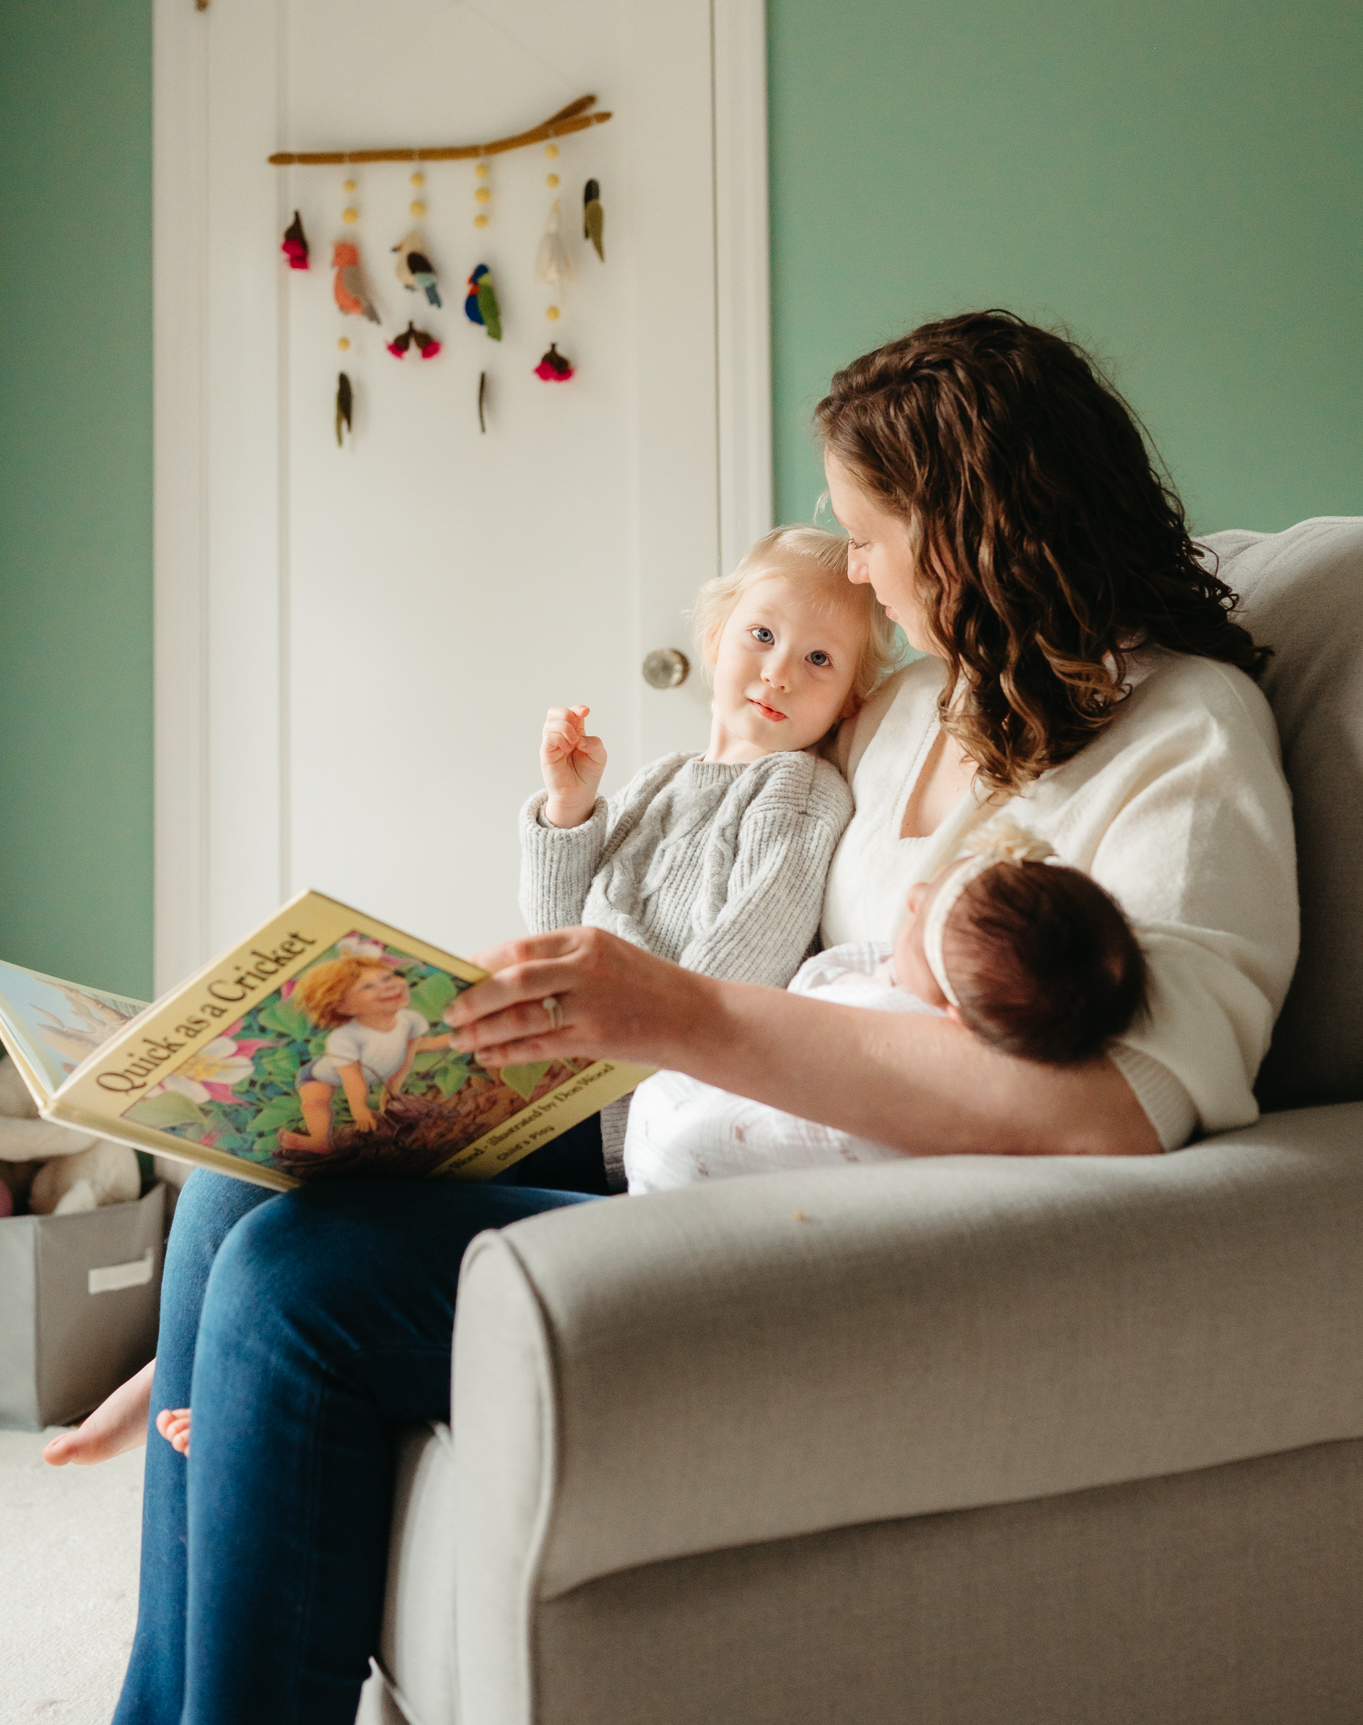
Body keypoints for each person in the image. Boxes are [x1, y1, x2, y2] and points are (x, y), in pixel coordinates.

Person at [50, 311, 1295, 1725]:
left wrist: (674, 1014)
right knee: (241, 1192)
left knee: (302, 1285)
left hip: (844, 1234)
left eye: (872, 538)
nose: (863, 581)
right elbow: (726, 803)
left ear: (964, 534)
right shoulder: (917, 707)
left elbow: (1116, 1106)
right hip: (707, 1146)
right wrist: (197, 1319)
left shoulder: (1187, 740)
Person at [525, 523, 899, 1178]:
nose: (778, 672)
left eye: (819, 660)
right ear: (712, 641)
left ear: (849, 703)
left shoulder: (801, 790)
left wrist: (599, 1060)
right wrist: (568, 809)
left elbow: (736, 975)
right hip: (570, 1073)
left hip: (625, 1108)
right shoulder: (661, 779)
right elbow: (557, 933)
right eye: (761, 635)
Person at [624, 815, 1151, 1189]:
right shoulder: (976, 995)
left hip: (681, 1166)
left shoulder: (901, 1021)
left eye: (918, 922)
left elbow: (821, 990)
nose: (913, 894)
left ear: (954, 1015)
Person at [279, 955, 433, 1152]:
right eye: (367, 987)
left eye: (387, 978)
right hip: (321, 1074)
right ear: (344, 1007)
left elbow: (406, 1058)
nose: (388, 986)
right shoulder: (344, 1037)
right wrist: (359, 1110)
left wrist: (391, 1093)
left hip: (365, 1067)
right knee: (313, 1103)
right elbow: (353, 1079)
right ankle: (320, 1141)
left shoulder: (411, 1020)